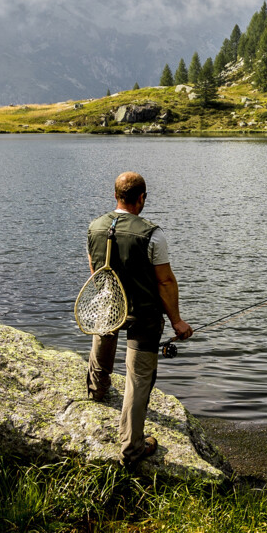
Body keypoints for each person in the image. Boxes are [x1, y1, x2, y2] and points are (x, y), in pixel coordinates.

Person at [86, 171, 194, 465]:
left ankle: (97, 390)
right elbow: (165, 282)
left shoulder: (95, 227)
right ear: (142, 198)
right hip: (144, 315)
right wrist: (177, 322)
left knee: (104, 332)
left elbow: (96, 271)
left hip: (108, 303)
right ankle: (132, 448)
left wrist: (111, 295)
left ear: (115, 196)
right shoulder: (152, 233)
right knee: (138, 377)